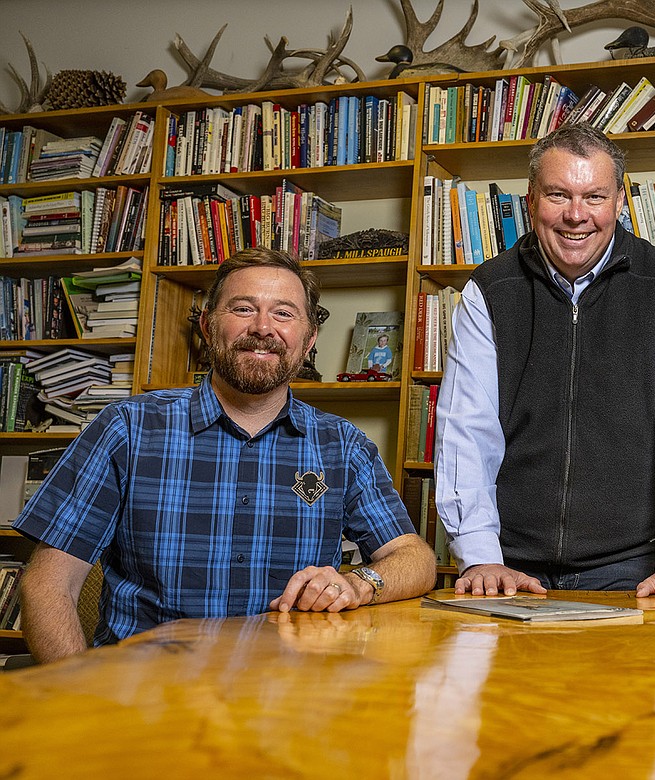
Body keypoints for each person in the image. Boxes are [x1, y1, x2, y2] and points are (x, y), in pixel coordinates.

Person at [15, 247, 436, 663]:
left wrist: (360, 583)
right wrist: (77, 700)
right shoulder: (127, 428)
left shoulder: (343, 446)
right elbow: (49, 584)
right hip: (147, 699)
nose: (262, 327)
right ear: (208, 325)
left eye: (284, 313)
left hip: (288, 697)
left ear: (308, 341)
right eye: (242, 308)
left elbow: (416, 560)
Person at [435, 123, 655, 602]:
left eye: (594, 197)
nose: (577, 216)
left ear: (619, 201)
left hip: (633, 571)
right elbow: (465, 433)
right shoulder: (487, 291)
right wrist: (478, 553)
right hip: (509, 569)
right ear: (531, 200)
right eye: (558, 195)